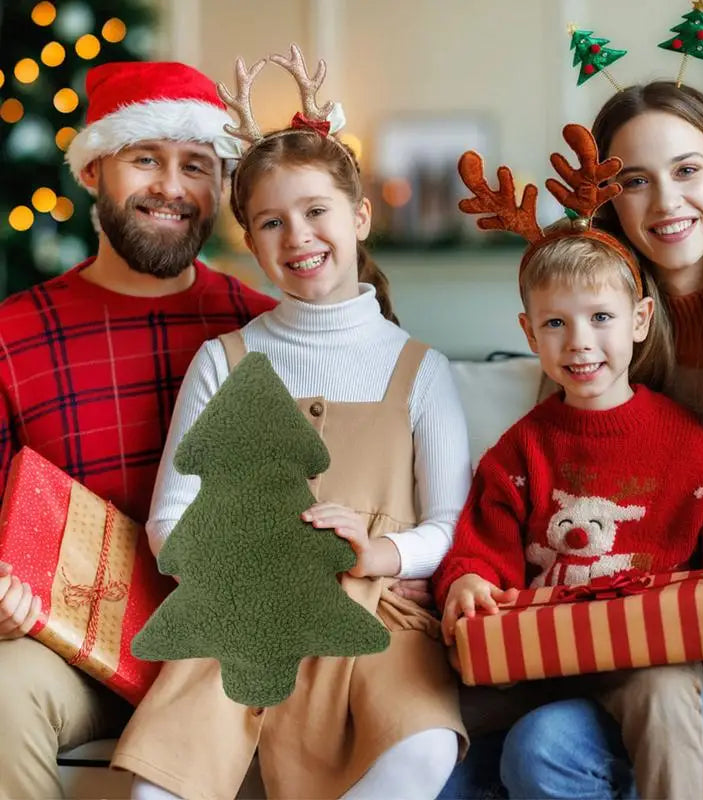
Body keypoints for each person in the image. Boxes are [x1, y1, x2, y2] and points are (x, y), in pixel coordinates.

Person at [110, 47, 473, 800]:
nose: (298, 237)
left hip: (380, 619)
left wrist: (381, 552)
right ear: (251, 241)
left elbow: (448, 523)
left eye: (316, 212)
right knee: (160, 784)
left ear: (359, 215)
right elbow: (170, 519)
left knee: (424, 748)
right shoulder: (227, 359)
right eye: (271, 222)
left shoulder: (420, 370)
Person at [432, 128, 703, 800]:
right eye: (556, 325)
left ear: (640, 321)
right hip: (542, 653)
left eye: (600, 317)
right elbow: (482, 549)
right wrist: (467, 584)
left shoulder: (690, 448)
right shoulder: (521, 449)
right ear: (528, 333)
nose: (580, 343)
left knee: (663, 692)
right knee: (437, 729)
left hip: (648, 652)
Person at [0, 60, 278, 800]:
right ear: (94, 169)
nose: (173, 188)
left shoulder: (261, 325)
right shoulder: (11, 336)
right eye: (145, 159)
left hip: (227, 646)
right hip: (76, 652)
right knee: (2, 686)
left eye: (197, 165)